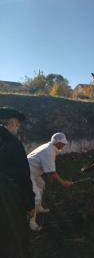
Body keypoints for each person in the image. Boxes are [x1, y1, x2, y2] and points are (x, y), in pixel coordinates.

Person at [0, 107, 35, 257]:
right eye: (18, 124)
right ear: (11, 123)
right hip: (8, 198)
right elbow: (22, 176)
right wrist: (29, 204)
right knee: (15, 238)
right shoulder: (12, 144)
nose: (18, 127)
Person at [28, 132, 74, 231]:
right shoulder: (49, 151)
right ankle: (32, 221)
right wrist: (63, 182)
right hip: (26, 173)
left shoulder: (51, 147)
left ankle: (39, 208)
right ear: (57, 142)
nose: (64, 145)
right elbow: (52, 172)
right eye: (62, 143)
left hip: (34, 172)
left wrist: (50, 176)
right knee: (36, 196)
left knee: (41, 184)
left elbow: (48, 168)